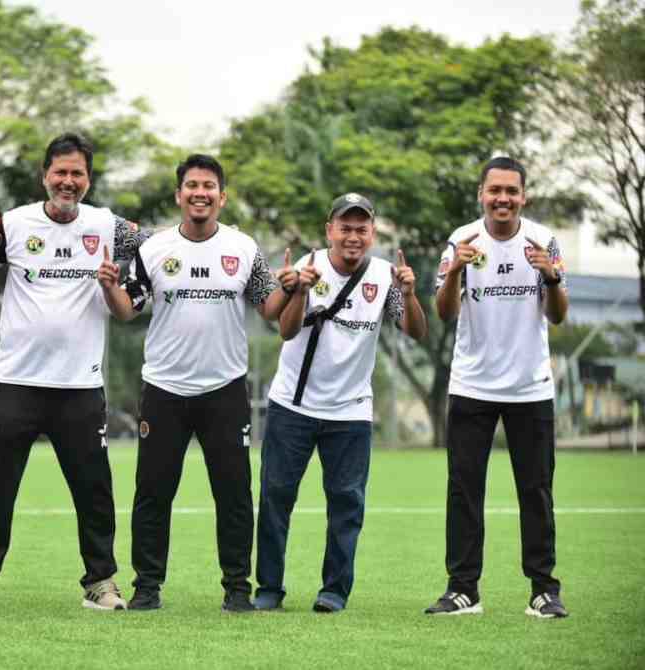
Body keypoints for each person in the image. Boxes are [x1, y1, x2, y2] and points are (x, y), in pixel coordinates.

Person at [0, 133, 149, 611]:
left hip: (80, 385)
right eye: (60, 173)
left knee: (94, 488)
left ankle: (101, 582)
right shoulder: (13, 224)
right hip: (19, 382)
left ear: (89, 179)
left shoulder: (109, 227)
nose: (69, 182)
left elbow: (161, 252)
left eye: (78, 174)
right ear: (45, 176)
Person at [98, 154, 290, 612]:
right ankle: (147, 587)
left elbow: (268, 308)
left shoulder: (244, 249)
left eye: (209, 186)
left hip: (224, 390)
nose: (199, 193)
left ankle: (237, 589)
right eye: (191, 185)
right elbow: (128, 310)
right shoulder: (154, 249)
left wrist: (294, 286)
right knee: (153, 492)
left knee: (234, 494)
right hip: (164, 390)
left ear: (222, 197)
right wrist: (109, 287)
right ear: (179, 195)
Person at [252, 193, 427, 613]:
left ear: (372, 233)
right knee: (276, 497)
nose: (352, 236)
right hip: (293, 405)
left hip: (351, 411)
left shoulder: (386, 276)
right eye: (344, 228)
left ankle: (334, 590)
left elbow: (414, 331)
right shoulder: (306, 268)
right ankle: (269, 588)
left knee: (347, 502)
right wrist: (298, 292)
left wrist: (411, 293)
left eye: (361, 229)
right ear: (329, 230)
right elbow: (287, 332)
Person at [425, 156, 569, 618]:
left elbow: (559, 315)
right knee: (464, 490)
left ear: (523, 196)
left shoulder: (543, 241)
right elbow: (444, 313)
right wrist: (454, 273)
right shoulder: (462, 240)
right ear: (481, 194)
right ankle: (463, 589)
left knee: (536, 490)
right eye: (495, 191)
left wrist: (550, 275)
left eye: (511, 191)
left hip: (531, 387)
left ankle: (544, 590)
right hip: (472, 385)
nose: (502, 199)